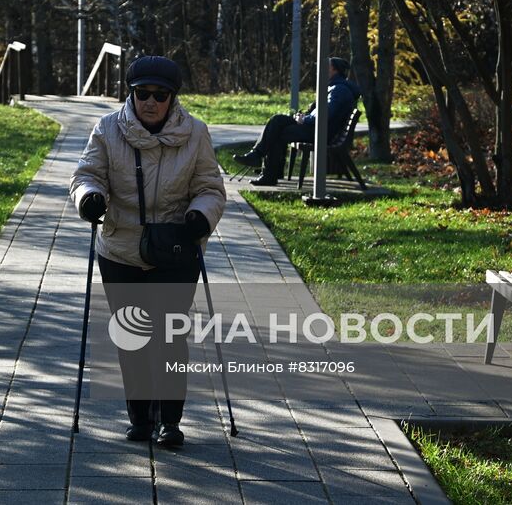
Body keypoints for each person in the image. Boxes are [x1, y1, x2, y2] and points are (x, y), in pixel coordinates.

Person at [69, 54, 227, 448]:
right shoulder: (107, 130)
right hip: (121, 249)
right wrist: (89, 198)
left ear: (173, 98)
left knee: (171, 337)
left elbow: (210, 188)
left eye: (160, 94)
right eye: (142, 94)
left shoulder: (195, 133)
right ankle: (140, 419)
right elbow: (87, 175)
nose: (150, 102)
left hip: (176, 248)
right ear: (132, 94)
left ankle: (170, 422)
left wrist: (200, 217)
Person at [234, 57, 360, 186]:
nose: (319, 70)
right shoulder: (335, 87)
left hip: (321, 133)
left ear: (334, 69)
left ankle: (265, 169)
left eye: (324, 66)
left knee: (278, 132)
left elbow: (325, 115)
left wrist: (304, 120)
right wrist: (305, 115)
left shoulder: (339, 90)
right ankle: (261, 161)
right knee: (278, 120)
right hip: (317, 129)